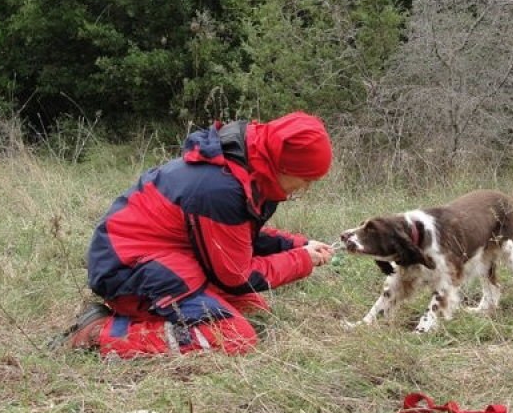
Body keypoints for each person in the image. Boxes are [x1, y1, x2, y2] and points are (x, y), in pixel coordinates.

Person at [62, 111, 335, 357]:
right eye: (307, 179)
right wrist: (302, 259)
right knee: (236, 336)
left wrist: (300, 244)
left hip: (163, 259)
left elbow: (236, 236)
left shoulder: (248, 169)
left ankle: (139, 321)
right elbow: (238, 277)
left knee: (254, 310)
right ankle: (101, 333)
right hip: (128, 269)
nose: (306, 188)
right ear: (283, 166)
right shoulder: (222, 189)